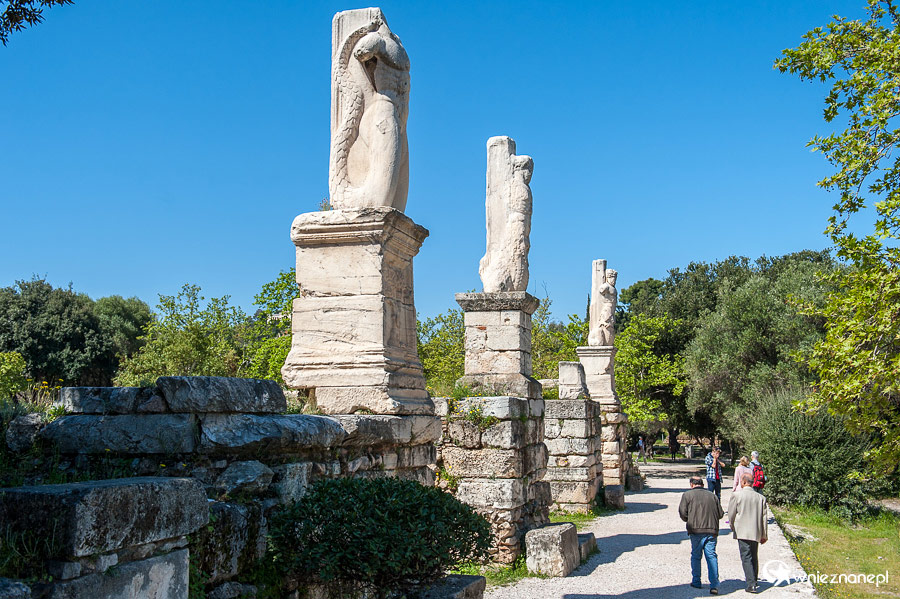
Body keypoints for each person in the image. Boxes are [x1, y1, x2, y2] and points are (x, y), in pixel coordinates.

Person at [678, 475, 723, 595]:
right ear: (703, 485)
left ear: (691, 485)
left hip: (695, 530)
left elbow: (683, 513)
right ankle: (714, 585)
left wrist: (690, 519)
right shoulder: (712, 496)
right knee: (711, 556)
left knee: (696, 556)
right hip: (711, 530)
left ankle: (696, 581)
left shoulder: (687, 495)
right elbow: (720, 514)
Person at [729, 473, 768, 593]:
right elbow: (764, 518)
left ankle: (751, 584)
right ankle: (754, 579)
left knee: (746, 557)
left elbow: (731, 514)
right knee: (753, 556)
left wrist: (732, 526)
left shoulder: (736, 495)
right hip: (755, 530)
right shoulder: (760, 498)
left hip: (742, 530)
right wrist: (764, 534)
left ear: (744, 482)